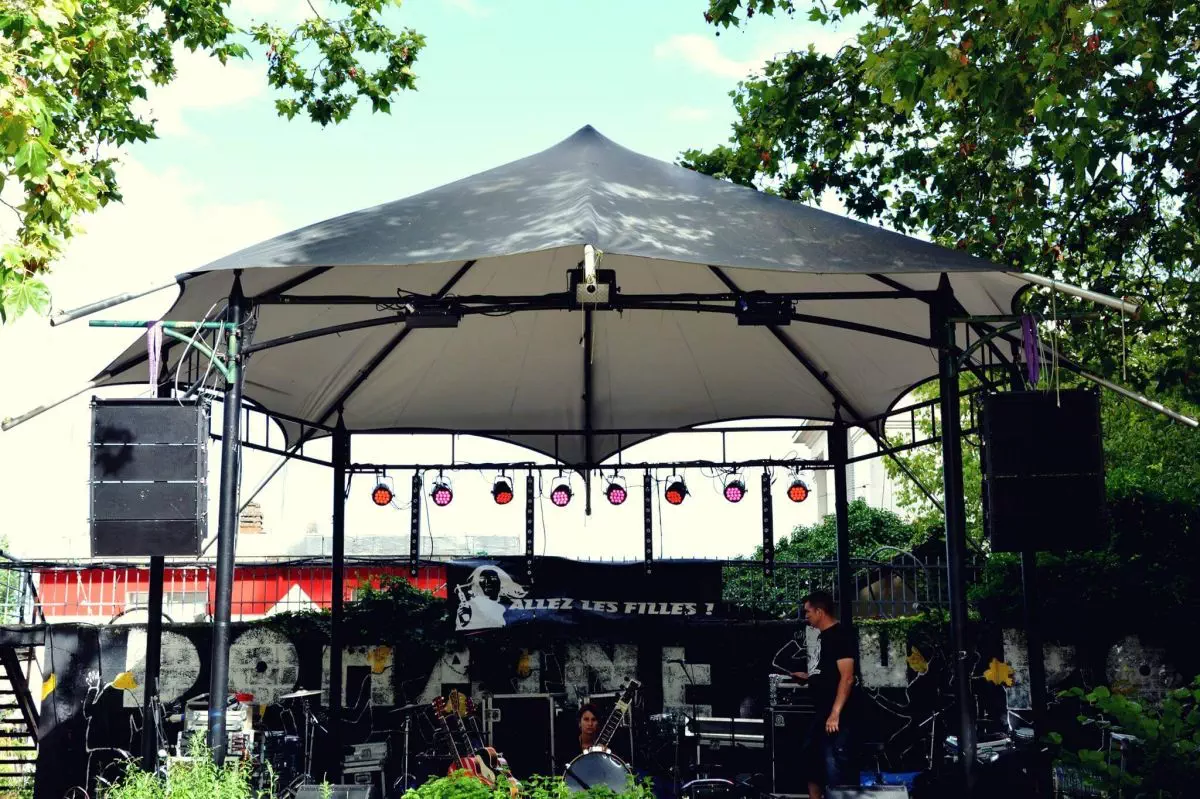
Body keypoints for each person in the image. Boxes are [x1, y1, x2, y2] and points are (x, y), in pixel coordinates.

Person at [791, 591, 857, 799]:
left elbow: (847, 677)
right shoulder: (821, 637)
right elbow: (827, 673)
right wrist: (809, 678)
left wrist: (835, 713)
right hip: (821, 711)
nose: (806, 616)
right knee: (811, 759)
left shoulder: (841, 635)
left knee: (834, 763)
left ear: (820, 611)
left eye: (808, 612)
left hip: (837, 714)